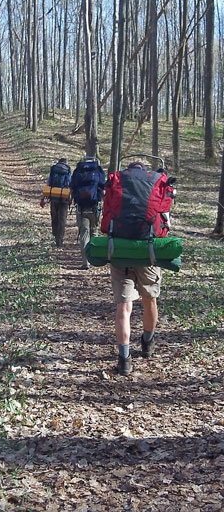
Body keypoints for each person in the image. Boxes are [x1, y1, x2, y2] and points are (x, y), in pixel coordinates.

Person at [101, 161, 164, 376]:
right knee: (150, 300)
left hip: (119, 250)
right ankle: (147, 342)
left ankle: (124, 359)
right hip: (147, 252)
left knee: (123, 306)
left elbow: (106, 214)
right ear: (144, 170)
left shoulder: (117, 180)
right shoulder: (156, 181)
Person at [70, 156, 105, 269]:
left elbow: (72, 187)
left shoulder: (77, 171)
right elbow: (103, 188)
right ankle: (94, 259)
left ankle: (85, 262)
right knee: (94, 232)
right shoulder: (98, 170)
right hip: (95, 207)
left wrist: (72, 199)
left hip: (81, 207)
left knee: (84, 234)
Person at [41, 157, 71, 248]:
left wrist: (43, 198)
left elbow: (48, 184)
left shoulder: (54, 170)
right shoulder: (68, 171)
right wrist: (71, 198)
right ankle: (59, 241)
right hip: (64, 198)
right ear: (66, 163)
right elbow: (70, 184)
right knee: (62, 220)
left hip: (53, 197)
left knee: (54, 218)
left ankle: (55, 235)